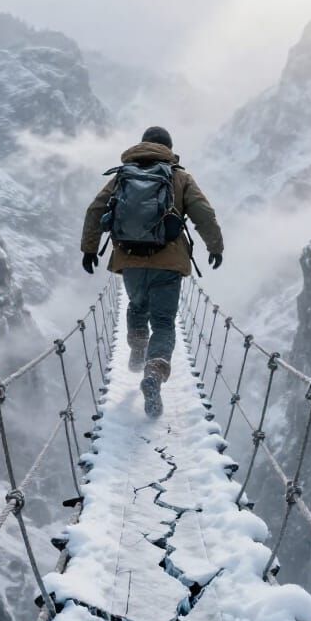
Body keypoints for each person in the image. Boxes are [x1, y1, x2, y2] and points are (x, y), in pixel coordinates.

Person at [80, 126, 223, 417]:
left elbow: (95, 210)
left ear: (142, 145)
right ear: (169, 149)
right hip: (169, 263)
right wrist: (215, 246)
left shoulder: (122, 175)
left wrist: (90, 249)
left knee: (137, 305)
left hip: (129, 259)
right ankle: (154, 372)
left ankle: (136, 347)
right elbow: (203, 214)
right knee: (163, 322)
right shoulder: (179, 176)